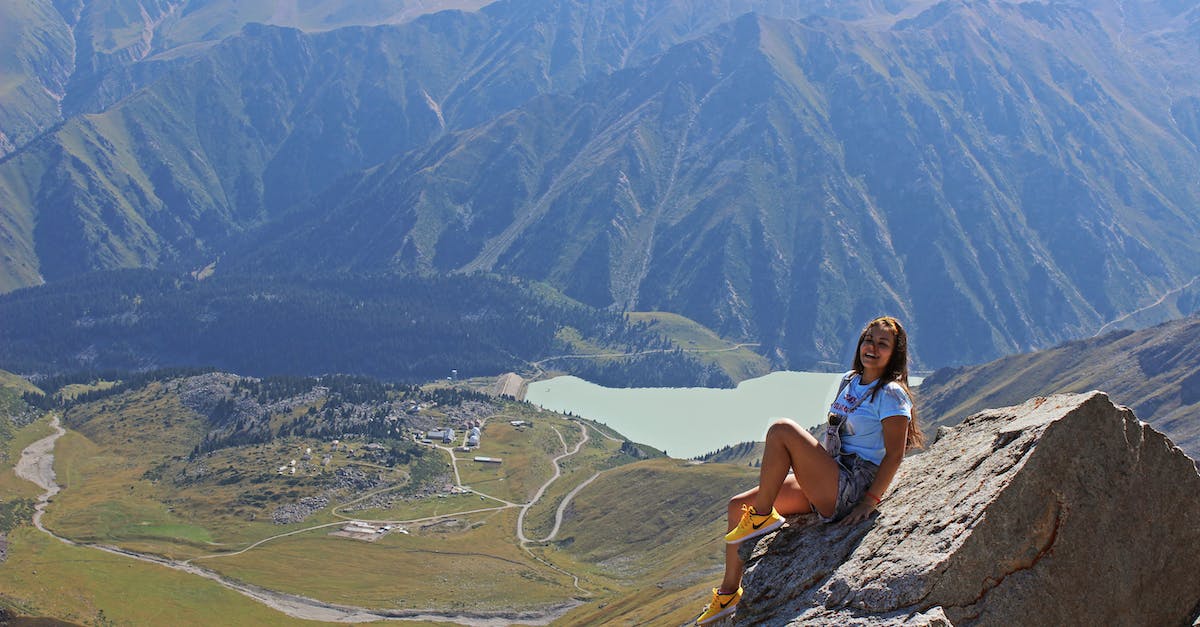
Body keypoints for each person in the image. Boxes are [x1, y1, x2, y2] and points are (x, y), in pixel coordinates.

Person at [695, 316, 925, 625]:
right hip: (832, 473)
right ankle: (727, 595)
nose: (872, 348)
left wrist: (869, 501)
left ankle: (762, 517)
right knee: (737, 507)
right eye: (868, 340)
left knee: (781, 429)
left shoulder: (891, 394)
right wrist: (812, 466)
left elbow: (895, 455)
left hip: (852, 485)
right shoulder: (849, 381)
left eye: (883, 344)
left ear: (894, 353)